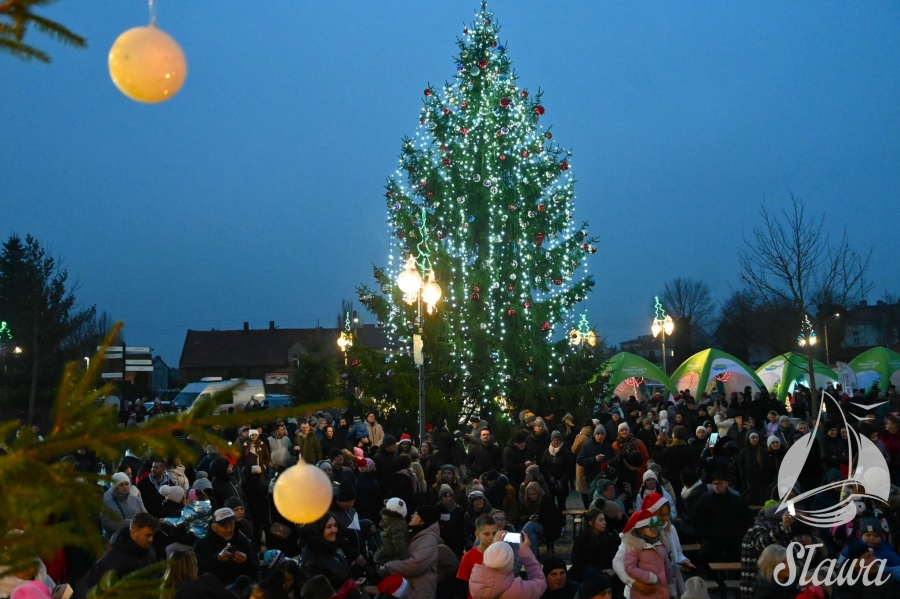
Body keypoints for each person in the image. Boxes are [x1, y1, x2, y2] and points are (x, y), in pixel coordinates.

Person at [691, 470, 752, 572]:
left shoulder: (737, 501)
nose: (716, 486)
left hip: (733, 538)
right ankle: (710, 580)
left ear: (726, 483)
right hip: (712, 538)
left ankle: (735, 580)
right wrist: (704, 533)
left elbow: (747, 520)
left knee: (740, 554)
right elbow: (695, 518)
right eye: (714, 483)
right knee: (704, 555)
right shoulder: (705, 500)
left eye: (719, 483)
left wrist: (739, 533)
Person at [379, 505, 442, 599]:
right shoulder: (416, 534)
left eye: (416, 514)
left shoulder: (429, 539)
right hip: (412, 589)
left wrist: (389, 566)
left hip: (420, 591)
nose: (412, 515)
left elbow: (415, 565)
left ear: (423, 520)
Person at [88, 512, 159, 587]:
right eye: (147, 535)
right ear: (133, 533)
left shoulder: (148, 550)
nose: (151, 539)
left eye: (152, 535)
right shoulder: (113, 560)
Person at [468, 532, 546, 599]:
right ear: (510, 562)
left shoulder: (475, 581)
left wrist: (495, 547)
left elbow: (488, 562)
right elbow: (540, 583)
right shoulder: (517, 591)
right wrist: (526, 553)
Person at [194, 507, 259, 586]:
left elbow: (256, 569)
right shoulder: (201, 545)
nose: (229, 530)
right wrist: (217, 559)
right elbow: (198, 571)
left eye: (231, 524)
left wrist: (246, 561)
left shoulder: (243, 541)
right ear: (214, 527)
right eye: (224, 526)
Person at [620, 509, 673, 599]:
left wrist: (671, 585)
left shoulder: (660, 545)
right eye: (652, 527)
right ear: (642, 528)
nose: (655, 530)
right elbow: (629, 567)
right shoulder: (635, 546)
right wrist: (648, 577)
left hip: (662, 592)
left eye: (658, 526)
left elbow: (667, 566)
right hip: (644, 593)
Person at [297, 514, 354, 592]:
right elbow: (318, 593)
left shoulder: (332, 547)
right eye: (328, 527)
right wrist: (346, 591)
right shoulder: (310, 560)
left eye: (335, 525)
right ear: (317, 530)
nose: (334, 530)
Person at [570, 508, 619, 583]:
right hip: (585, 575)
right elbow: (577, 562)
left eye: (604, 520)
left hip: (607, 574)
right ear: (591, 523)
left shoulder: (609, 538)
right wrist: (601, 570)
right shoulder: (581, 540)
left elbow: (613, 557)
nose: (604, 522)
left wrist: (610, 570)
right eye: (600, 520)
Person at [457, 514, 498, 599]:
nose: (491, 537)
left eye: (494, 533)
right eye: (486, 534)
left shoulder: (500, 554)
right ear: (477, 534)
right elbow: (462, 586)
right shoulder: (468, 557)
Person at [100, 471, 147, 541]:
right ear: (115, 487)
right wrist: (131, 523)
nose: (125, 487)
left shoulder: (136, 500)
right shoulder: (107, 502)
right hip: (116, 540)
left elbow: (145, 516)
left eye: (127, 484)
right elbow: (107, 523)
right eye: (121, 485)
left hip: (135, 540)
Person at [577, 426, 614, 509]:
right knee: (593, 504)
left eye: (602, 434)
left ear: (605, 435)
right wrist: (594, 459)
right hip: (591, 479)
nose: (600, 436)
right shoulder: (587, 446)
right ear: (594, 435)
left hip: (606, 478)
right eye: (597, 434)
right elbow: (580, 460)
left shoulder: (608, 446)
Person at [540, 431, 573, 512]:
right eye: (554, 440)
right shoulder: (547, 452)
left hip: (562, 483)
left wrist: (562, 480)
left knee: (561, 504)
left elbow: (570, 469)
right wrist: (549, 476)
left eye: (557, 440)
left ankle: (562, 522)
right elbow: (543, 465)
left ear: (560, 441)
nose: (555, 442)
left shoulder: (566, 452)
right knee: (550, 504)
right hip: (550, 482)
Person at [375, 498, 410, 566]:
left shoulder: (389, 520)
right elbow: (399, 542)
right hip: (394, 555)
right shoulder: (399, 524)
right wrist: (405, 558)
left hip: (387, 550)